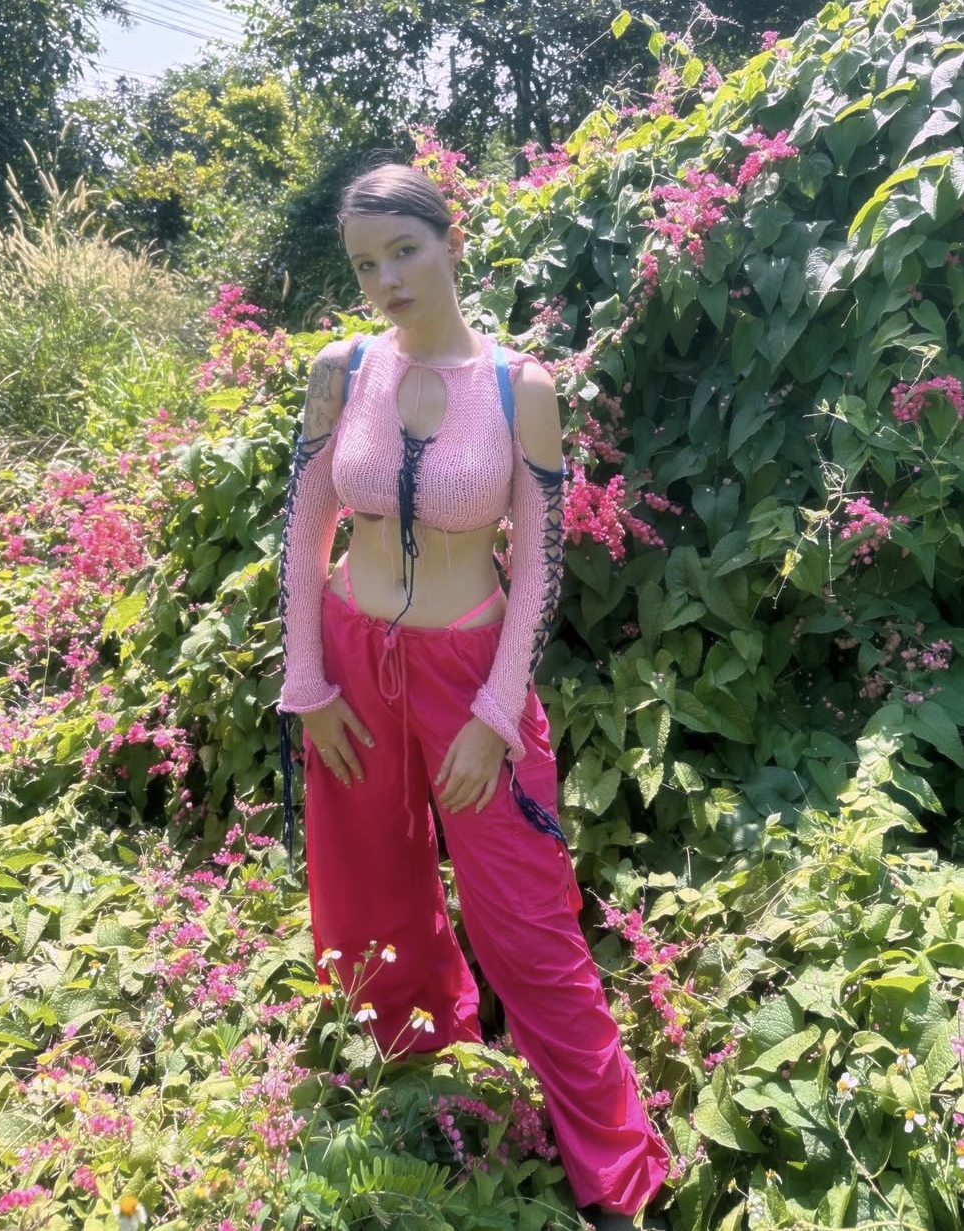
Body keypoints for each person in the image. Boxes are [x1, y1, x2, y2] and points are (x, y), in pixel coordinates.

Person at [276, 162, 669, 1230]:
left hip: (470, 670)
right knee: (367, 902)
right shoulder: (340, 370)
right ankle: (431, 1086)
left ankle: (615, 1173)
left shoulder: (517, 387)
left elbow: (539, 566)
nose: (386, 280)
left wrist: (497, 719)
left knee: (529, 926)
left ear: (451, 242)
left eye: (404, 251)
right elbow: (304, 529)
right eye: (365, 263)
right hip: (349, 663)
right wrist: (307, 682)